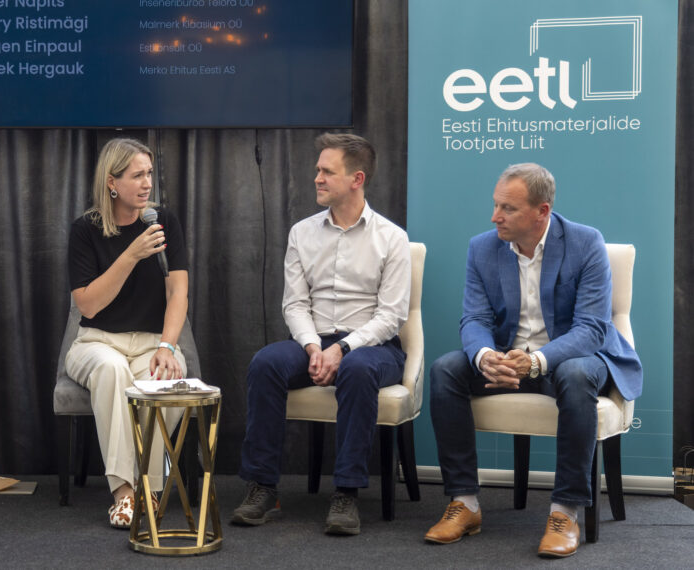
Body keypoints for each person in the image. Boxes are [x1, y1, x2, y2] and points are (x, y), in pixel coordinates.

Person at [425, 163, 642, 557]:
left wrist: (538, 360)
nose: (495, 216)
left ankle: (566, 511)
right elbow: (474, 318)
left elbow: (591, 329)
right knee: (445, 370)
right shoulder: (482, 247)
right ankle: (465, 503)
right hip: (509, 356)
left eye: (507, 208)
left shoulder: (585, 242)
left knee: (576, 375)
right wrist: (486, 356)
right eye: (495, 205)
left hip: (571, 356)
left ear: (541, 211)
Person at [231, 133, 410, 536]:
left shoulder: (391, 238)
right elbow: (294, 304)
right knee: (266, 363)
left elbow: (392, 315)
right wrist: (315, 347)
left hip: (373, 346)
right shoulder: (302, 233)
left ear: (356, 178)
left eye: (327, 171)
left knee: (358, 370)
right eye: (318, 170)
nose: (317, 178)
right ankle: (262, 486)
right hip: (313, 339)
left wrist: (343, 349)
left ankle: (346, 491)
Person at [64, 137, 189, 528]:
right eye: (137, 175)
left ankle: (148, 488)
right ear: (112, 183)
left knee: (162, 379)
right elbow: (88, 304)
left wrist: (168, 345)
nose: (147, 183)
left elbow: (178, 291)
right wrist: (132, 254)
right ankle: (124, 493)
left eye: (149, 174)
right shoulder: (86, 229)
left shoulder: (163, 221)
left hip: (154, 341)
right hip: (97, 341)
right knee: (112, 370)